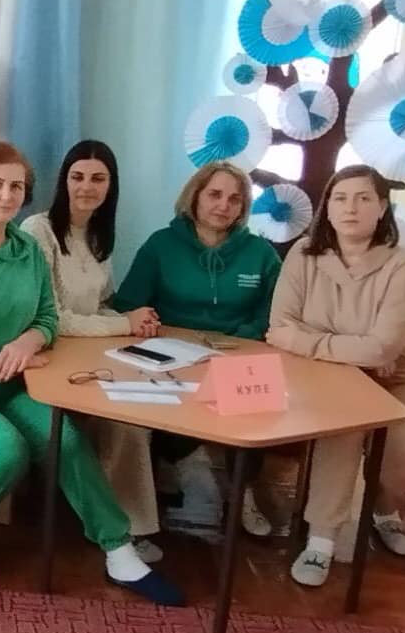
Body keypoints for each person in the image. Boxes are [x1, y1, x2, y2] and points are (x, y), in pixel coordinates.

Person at [0, 142, 182, 604]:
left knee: (66, 441)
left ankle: (118, 550)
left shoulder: (26, 250)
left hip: (11, 380)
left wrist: (26, 343)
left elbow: (48, 317)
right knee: (3, 451)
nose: (7, 195)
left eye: (16, 187)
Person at [266, 165, 405, 586]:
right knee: (341, 432)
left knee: (399, 448)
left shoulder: (403, 266)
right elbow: (279, 326)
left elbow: (383, 349)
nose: (351, 208)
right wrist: (356, 349)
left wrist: (308, 340)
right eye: (341, 198)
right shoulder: (303, 254)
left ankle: (386, 511)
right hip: (331, 373)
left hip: (404, 377)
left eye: (364, 198)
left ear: (382, 208)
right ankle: (321, 540)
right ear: (327, 208)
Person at [113, 161, 282, 536]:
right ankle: (180, 470)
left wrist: (244, 337)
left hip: (237, 353)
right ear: (195, 197)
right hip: (172, 353)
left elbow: (275, 312)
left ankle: (243, 491)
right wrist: (151, 326)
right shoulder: (161, 245)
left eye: (234, 199)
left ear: (243, 208)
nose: (224, 205)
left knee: (256, 408)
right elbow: (129, 303)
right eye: (215, 194)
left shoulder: (261, 253)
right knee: (162, 405)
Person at [20, 140, 163, 562]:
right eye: (78, 176)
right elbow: (52, 319)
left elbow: (100, 305)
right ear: (63, 181)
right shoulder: (38, 231)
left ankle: (128, 525)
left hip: (88, 354)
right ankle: (120, 530)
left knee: (134, 414)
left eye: (98, 179)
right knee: (121, 419)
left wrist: (135, 322)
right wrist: (123, 324)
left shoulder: (99, 237)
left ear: (111, 186)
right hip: (46, 358)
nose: (87, 187)